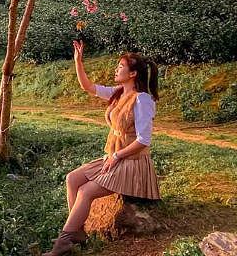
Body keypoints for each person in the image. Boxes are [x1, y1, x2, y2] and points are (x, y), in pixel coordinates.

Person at [43, 41, 161, 256]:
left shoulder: (142, 100)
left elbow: (144, 140)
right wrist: (78, 61)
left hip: (132, 162)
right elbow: (88, 87)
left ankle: (62, 245)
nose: (116, 70)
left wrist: (116, 155)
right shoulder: (118, 93)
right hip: (114, 156)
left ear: (133, 73)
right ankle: (77, 232)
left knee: (86, 191)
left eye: (120, 67)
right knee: (72, 179)